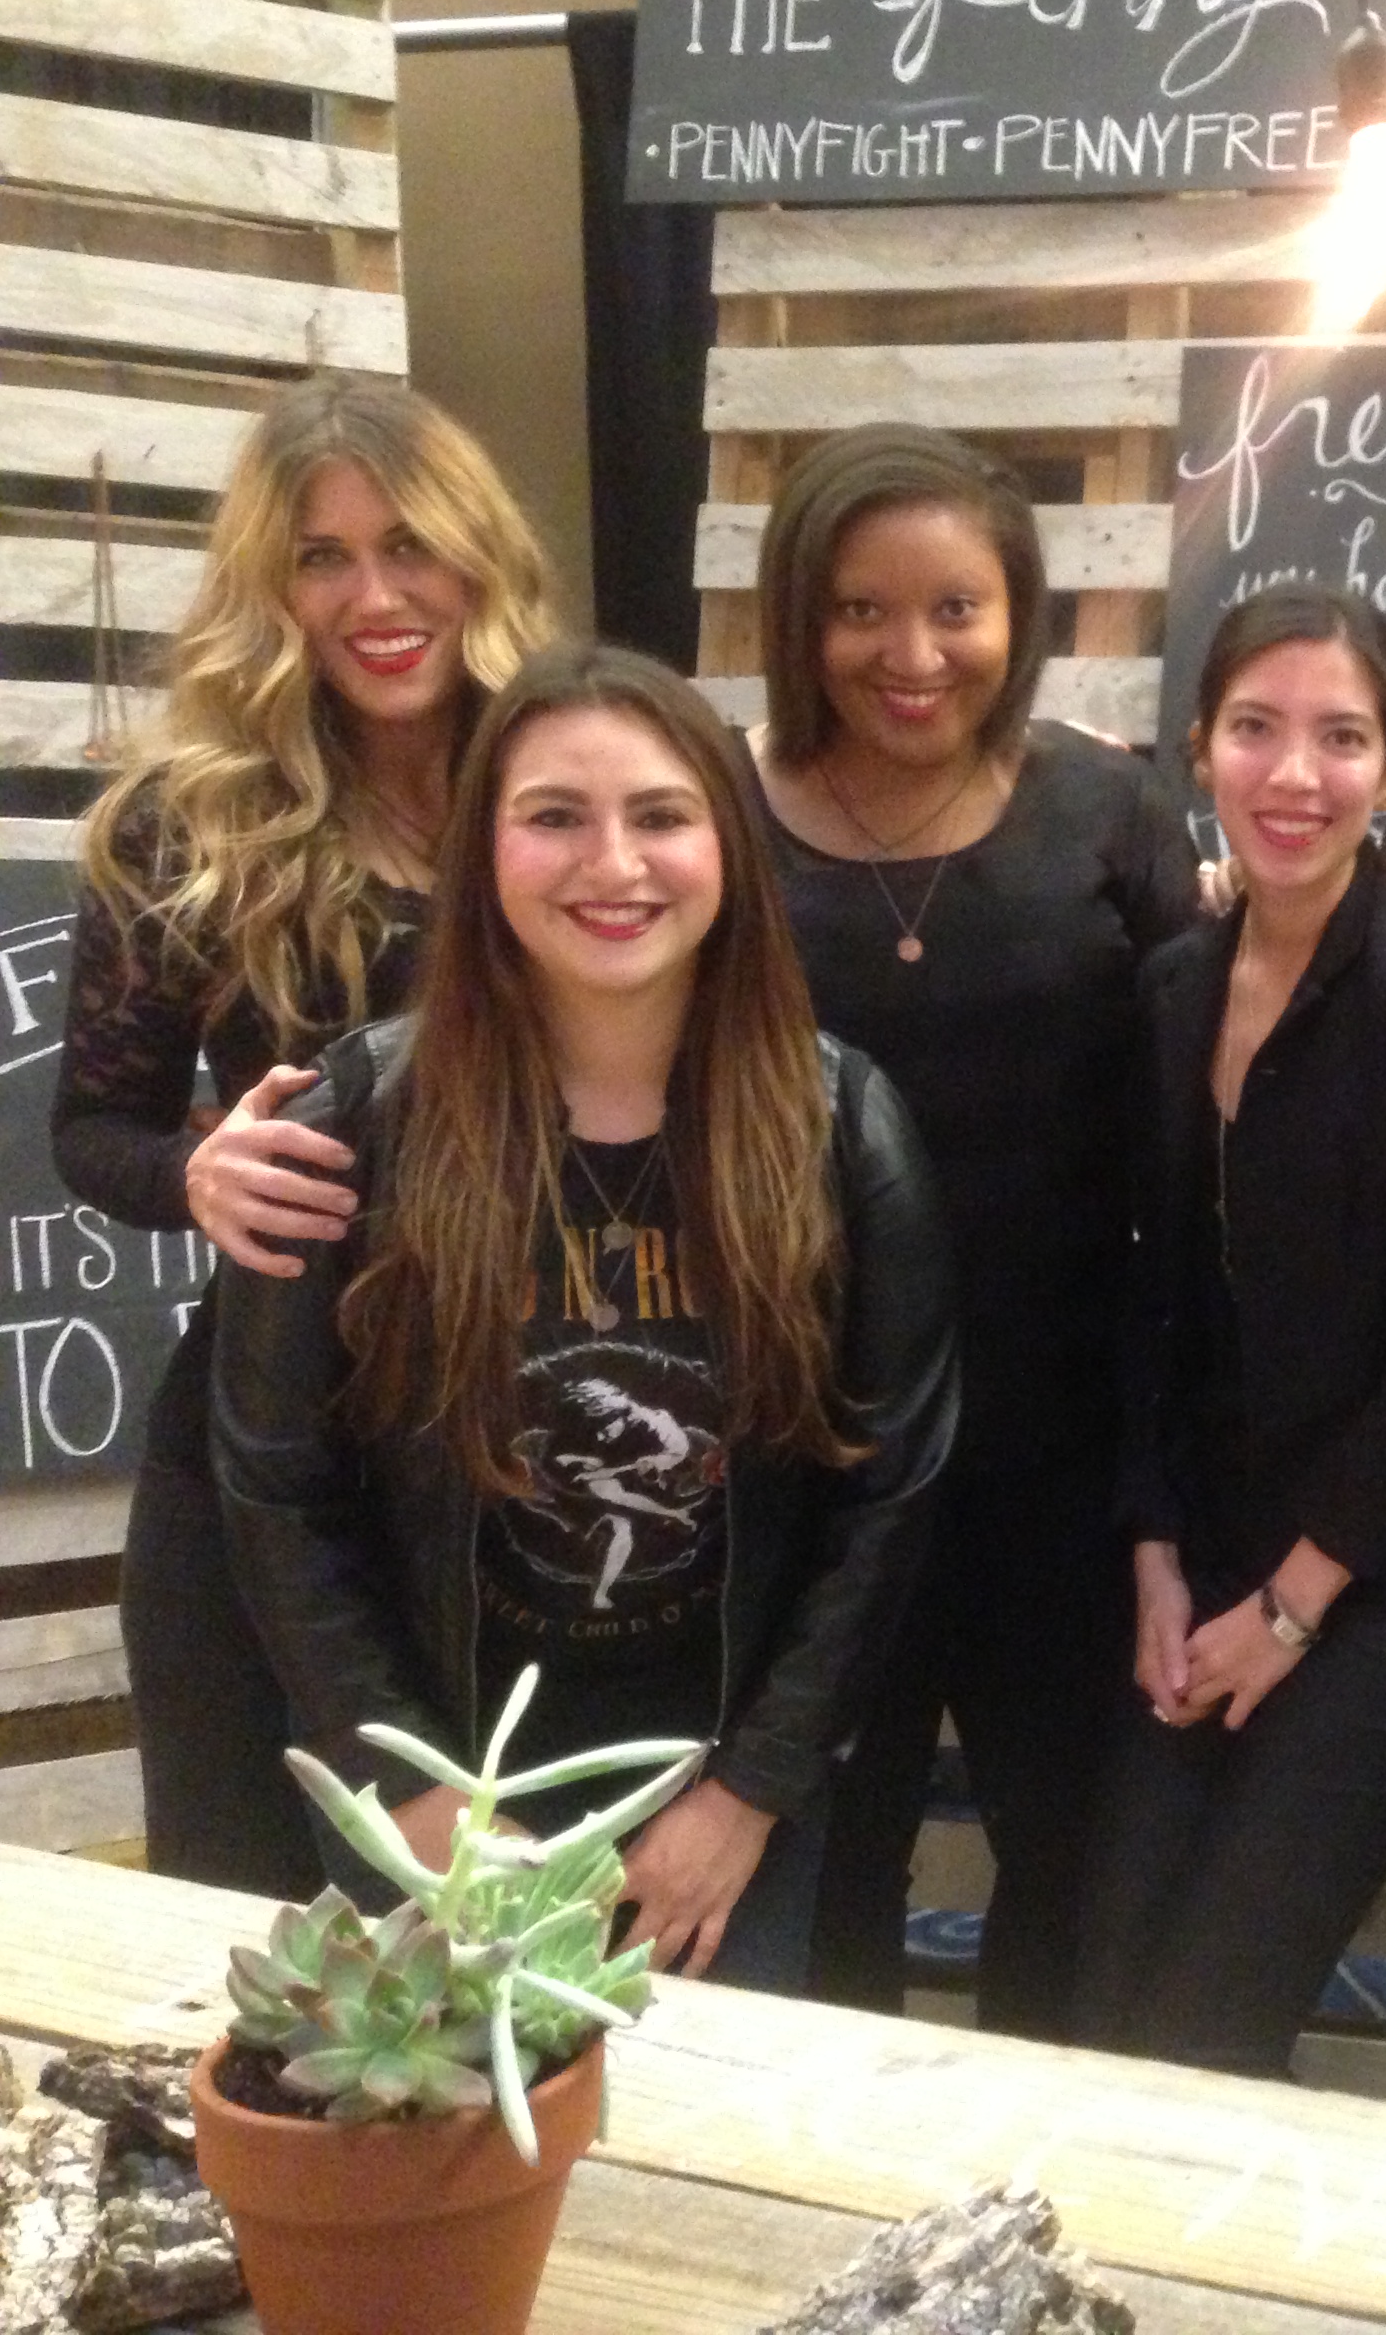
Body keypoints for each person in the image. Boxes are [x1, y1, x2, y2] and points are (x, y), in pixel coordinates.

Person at [206, 643, 957, 1990]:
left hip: (718, 1810)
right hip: (432, 1787)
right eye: (555, 815)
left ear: (727, 849)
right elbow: (277, 1485)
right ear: (482, 851)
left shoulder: (843, 1123)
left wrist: (749, 1793)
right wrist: (413, 1800)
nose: (613, 863)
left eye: (661, 815)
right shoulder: (357, 1117)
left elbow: (888, 1488)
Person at [56, 374, 553, 1898]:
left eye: (410, 545)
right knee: (249, 1920)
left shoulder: (568, 786)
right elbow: (95, 1129)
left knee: (507, 1929)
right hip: (271, 1436)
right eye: (321, 558)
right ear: (266, 590)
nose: (375, 598)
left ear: (477, 553)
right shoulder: (189, 822)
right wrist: (195, 1174)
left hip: (542, 1440)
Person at [1070, 588, 1386, 2078]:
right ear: (1200, 749)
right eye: (1256, 729)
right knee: (1104, 2007)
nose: (1295, 774)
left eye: (1341, 738)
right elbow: (1153, 1300)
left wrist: (1289, 1611)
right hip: (1212, 1543)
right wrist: (1156, 1556)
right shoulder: (1175, 986)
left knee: (1208, 2017)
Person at [740, 424, 1199, 2034]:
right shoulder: (716, 817)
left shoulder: (1108, 810)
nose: (913, 655)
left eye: (957, 609)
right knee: (824, 1861)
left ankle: (1030, 2157)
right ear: (798, 615)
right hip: (803, 1452)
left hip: (1060, 1454)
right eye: (861, 610)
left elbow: (1196, 1132)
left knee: (1066, 1859)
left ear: (1020, 616)